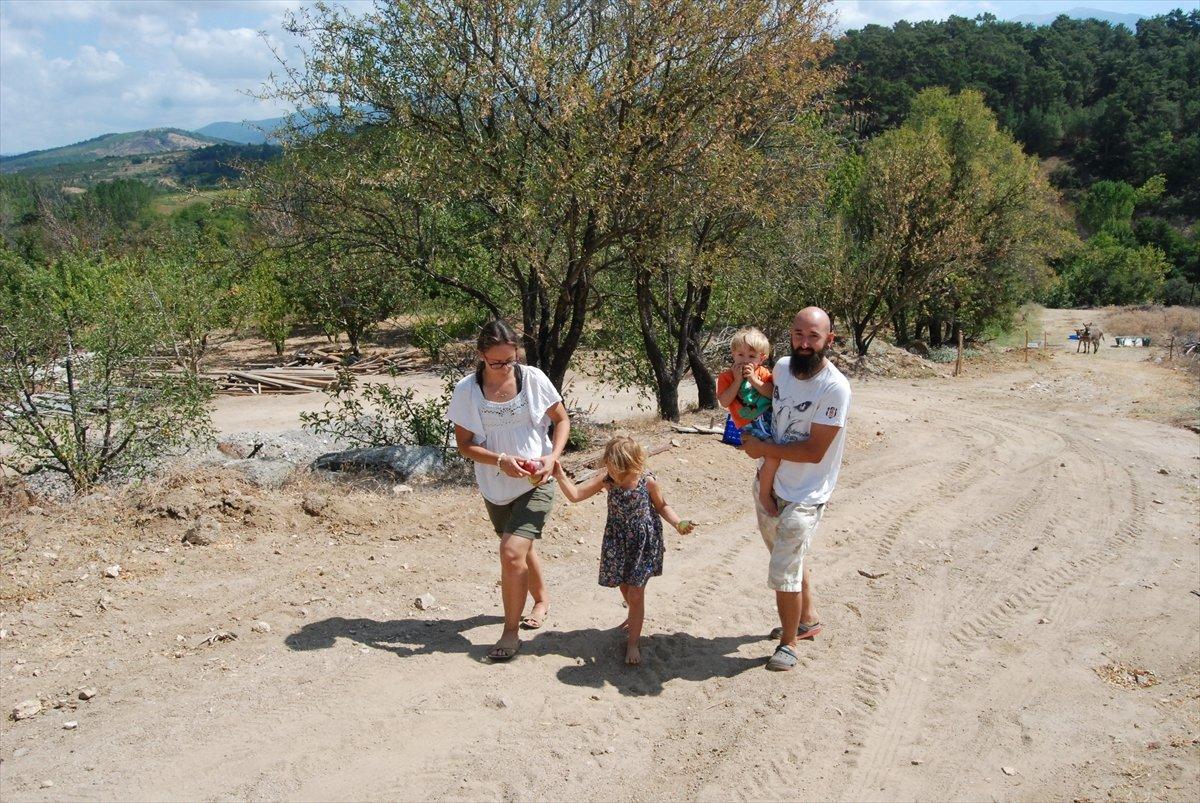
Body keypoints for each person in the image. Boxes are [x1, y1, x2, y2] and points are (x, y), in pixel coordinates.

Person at [447, 320, 570, 662]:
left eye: (510, 359)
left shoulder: (532, 379)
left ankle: (510, 633)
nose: (504, 367)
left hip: (537, 480)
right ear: (481, 355)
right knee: (517, 545)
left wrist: (552, 457)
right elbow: (464, 445)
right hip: (495, 485)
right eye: (496, 362)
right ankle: (541, 598)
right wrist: (500, 460)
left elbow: (562, 420)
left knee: (512, 551)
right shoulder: (467, 391)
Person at [740, 307, 850, 672]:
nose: (805, 343)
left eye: (813, 336)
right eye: (798, 334)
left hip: (806, 492)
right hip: (770, 482)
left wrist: (761, 450)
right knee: (788, 556)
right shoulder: (784, 367)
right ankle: (807, 618)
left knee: (783, 567)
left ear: (828, 340)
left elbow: (814, 450)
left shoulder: (834, 388)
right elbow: (770, 395)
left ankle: (788, 644)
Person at [552, 436, 696, 666]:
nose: (615, 472)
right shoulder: (607, 480)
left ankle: (633, 643)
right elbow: (576, 495)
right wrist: (559, 475)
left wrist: (678, 523)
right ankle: (634, 614)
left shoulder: (648, 482)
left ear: (633, 464)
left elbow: (662, 506)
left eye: (619, 468)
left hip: (643, 543)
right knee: (623, 585)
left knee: (636, 593)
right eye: (611, 466)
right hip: (617, 542)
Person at [716, 326, 781, 517]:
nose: (745, 360)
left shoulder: (763, 374)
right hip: (749, 422)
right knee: (773, 454)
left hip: (768, 417)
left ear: (762, 358)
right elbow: (725, 401)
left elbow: (771, 394)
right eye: (740, 355)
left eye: (752, 356)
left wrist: (753, 379)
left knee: (780, 451)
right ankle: (764, 494)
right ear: (733, 354)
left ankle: (766, 479)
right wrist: (737, 381)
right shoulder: (726, 377)